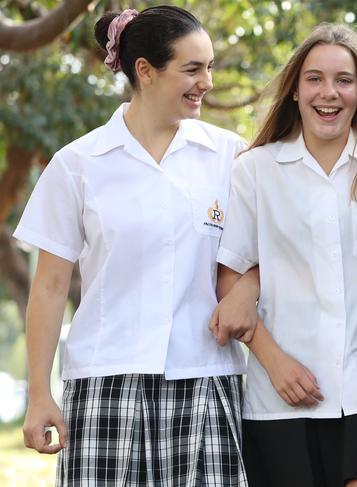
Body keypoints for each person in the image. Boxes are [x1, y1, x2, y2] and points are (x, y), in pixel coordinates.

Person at [16, 6, 253, 485]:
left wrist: (248, 288)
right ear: (144, 70)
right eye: (192, 68)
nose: (206, 81)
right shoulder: (77, 164)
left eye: (209, 66)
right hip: (105, 384)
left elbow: (258, 255)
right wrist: (39, 393)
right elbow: (49, 287)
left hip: (204, 377)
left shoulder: (231, 156)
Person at [213, 23, 357, 487]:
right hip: (281, 398)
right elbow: (231, 281)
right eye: (315, 79)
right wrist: (274, 361)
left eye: (344, 80)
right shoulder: (254, 171)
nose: (330, 93)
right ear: (295, 93)